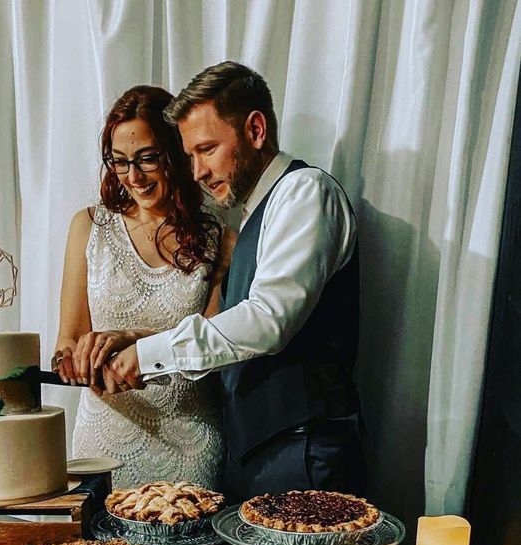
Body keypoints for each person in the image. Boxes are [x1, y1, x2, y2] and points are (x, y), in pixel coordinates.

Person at [89, 62, 367, 503]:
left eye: (207, 149)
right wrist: (139, 338)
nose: (197, 171)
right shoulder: (253, 216)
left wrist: (147, 355)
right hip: (258, 456)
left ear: (255, 130)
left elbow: (267, 321)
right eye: (190, 156)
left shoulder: (305, 192)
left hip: (304, 454)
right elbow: (232, 332)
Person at [52, 85, 232, 490]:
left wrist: (138, 340)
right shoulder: (88, 227)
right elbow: (67, 339)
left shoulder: (221, 239)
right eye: (119, 162)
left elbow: (218, 347)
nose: (133, 177)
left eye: (147, 158)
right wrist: (75, 360)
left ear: (176, 153)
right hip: (101, 443)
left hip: (190, 444)